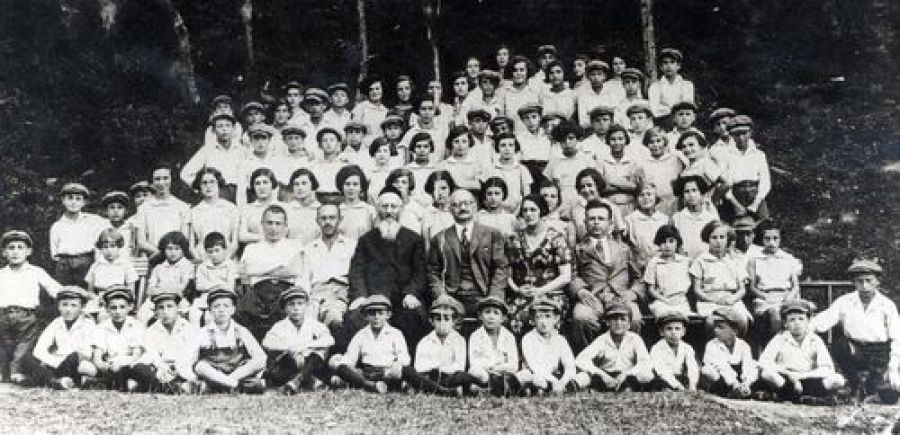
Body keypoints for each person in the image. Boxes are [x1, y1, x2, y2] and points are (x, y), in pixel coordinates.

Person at [346, 187, 429, 350]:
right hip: (373, 297)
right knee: (355, 317)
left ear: (400, 210)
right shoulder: (366, 240)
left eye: (393, 207)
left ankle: (406, 362)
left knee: (413, 317)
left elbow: (420, 272)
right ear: (378, 209)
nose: (389, 211)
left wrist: (412, 293)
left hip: (403, 298)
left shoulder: (414, 239)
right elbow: (356, 271)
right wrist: (361, 296)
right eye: (385, 206)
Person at [810, 259, 900, 403]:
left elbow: (896, 337)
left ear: (877, 281)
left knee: (889, 395)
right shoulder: (845, 301)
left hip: (880, 353)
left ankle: (873, 386)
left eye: (869, 280)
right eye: (860, 281)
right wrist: (803, 329)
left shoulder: (887, 305)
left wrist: (893, 367)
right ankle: (854, 384)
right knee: (840, 345)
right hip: (855, 349)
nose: (864, 286)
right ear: (854, 282)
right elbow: (823, 320)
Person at [428, 190, 509, 334]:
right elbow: (433, 271)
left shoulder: (492, 234)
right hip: (452, 296)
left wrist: (494, 296)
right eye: (457, 205)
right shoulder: (440, 238)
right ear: (450, 209)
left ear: (475, 206)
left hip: (484, 294)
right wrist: (441, 295)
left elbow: (501, 268)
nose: (463, 208)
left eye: (467, 203)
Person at [570, 200, 641, 351]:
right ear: (585, 223)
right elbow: (572, 275)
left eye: (601, 219)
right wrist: (580, 290)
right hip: (592, 297)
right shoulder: (578, 249)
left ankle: (625, 356)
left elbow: (638, 277)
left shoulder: (624, 249)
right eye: (592, 218)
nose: (596, 222)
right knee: (582, 317)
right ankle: (589, 358)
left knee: (634, 317)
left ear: (610, 224)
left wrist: (633, 292)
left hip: (620, 297)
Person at [238, 205, 308, 341]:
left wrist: (261, 269)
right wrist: (281, 266)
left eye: (278, 223)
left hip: (285, 290)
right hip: (258, 292)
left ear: (285, 226)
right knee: (242, 313)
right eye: (269, 223)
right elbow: (249, 270)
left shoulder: (294, 245)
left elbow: (295, 269)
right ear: (262, 224)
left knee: (287, 313)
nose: (273, 228)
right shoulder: (252, 248)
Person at [0, 231, 62, 384]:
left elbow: (55, 289)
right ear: (4, 252)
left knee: (24, 346)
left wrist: (77, 294)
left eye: (20, 247)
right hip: (3, 315)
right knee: (4, 345)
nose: (15, 252)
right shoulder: (2, 274)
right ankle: (3, 372)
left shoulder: (36, 272)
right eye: (11, 248)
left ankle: (16, 373)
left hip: (26, 316)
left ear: (28, 251)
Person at [505, 194, 571, 335]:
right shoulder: (514, 239)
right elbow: (507, 274)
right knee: (518, 317)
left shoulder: (556, 238)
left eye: (533, 210)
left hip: (551, 293)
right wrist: (517, 289)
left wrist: (540, 291)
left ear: (542, 211)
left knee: (545, 317)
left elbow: (565, 277)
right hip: (522, 294)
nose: (528, 214)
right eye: (525, 210)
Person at [758, 300, 847, 404]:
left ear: (808, 321)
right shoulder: (780, 338)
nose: (797, 323)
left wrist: (801, 376)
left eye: (801, 319)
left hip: (809, 379)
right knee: (767, 374)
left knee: (838, 379)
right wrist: (789, 375)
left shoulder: (815, 340)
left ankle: (804, 396)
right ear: (785, 324)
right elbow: (764, 362)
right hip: (787, 380)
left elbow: (827, 368)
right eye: (792, 320)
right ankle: (792, 395)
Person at [332, 295, 421, 394]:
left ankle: (433, 388)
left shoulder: (395, 333)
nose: (376, 317)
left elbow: (404, 356)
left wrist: (398, 365)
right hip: (367, 373)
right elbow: (350, 357)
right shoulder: (361, 335)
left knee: (407, 371)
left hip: (388, 372)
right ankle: (371, 386)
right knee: (342, 368)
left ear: (388, 315)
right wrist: (345, 367)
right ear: (366, 316)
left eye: (380, 313)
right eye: (372, 314)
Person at [192, 288, 267, 394]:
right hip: (214, 374)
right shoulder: (202, 333)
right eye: (216, 306)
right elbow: (191, 360)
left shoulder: (241, 331)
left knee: (259, 361)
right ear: (210, 311)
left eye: (226, 306)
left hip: (237, 373)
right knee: (200, 366)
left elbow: (260, 357)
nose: (221, 310)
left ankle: (223, 385)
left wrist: (231, 378)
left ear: (233, 310)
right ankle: (235, 386)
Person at [262, 287, 334, 393]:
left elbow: (329, 340)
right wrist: (288, 348)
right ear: (285, 308)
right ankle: (309, 379)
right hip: (290, 363)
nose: (296, 308)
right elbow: (267, 342)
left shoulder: (313, 324)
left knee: (318, 354)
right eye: (291, 304)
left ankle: (296, 381)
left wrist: (305, 346)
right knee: (281, 364)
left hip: (309, 362)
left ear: (306, 306)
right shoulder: (280, 326)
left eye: (300, 304)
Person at [574, 301, 654, 392]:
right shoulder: (602, 340)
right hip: (606, 376)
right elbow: (581, 360)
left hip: (628, 375)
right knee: (583, 376)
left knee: (647, 374)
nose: (618, 323)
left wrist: (626, 374)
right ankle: (580, 387)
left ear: (629, 324)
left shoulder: (635, 338)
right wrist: (602, 375)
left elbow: (645, 362)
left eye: (623, 319)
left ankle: (628, 387)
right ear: (607, 323)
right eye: (614, 319)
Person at [28, 286, 97, 390]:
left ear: (82, 307)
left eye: (73, 305)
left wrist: (55, 364)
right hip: (56, 361)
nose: (68, 310)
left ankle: (49, 379)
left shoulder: (88, 324)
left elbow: (86, 353)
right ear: (58, 306)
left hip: (76, 362)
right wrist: (52, 362)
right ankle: (57, 381)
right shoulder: (56, 322)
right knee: (28, 358)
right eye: (64, 305)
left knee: (80, 362)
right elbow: (39, 349)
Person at [131, 292, 199, 393]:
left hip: (181, 369)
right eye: (161, 308)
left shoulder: (188, 328)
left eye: (170, 306)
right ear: (155, 312)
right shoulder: (151, 331)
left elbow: (191, 354)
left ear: (178, 309)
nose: (165, 312)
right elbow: (152, 354)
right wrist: (162, 367)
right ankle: (167, 388)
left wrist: (175, 369)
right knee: (138, 367)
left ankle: (160, 387)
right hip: (160, 370)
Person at [304, 203, 357, 334]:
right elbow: (304, 277)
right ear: (317, 221)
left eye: (332, 218)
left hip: (341, 292)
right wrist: (305, 298)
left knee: (334, 317)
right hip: (316, 292)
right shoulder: (309, 248)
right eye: (323, 218)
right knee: (307, 319)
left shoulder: (352, 245)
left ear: (340, 220)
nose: (327, 222)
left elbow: (357, 275)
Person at [747, 220, 802, 343]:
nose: (771, 243)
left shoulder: (788, 258)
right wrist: (766, 296)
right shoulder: (754, 259)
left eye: (775, 238)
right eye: (767, 239)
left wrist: (789, 297)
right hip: (764, 298)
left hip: (786, 296)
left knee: (799, 315)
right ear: (762, 240)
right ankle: (777, 347)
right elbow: (751, 287)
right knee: (775, 313)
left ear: (780, 239)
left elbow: (795, 286)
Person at [516, 297, 584, 395]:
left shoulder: (560, 339)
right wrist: (554, 382)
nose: (543, 322)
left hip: (556, 376)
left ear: (556, 319)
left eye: (548, 316)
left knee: (583, 376)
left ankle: (562, 388)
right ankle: (542, 389)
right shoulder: (528, 339)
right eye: (539, 317)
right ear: (533, 320)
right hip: (537, 375)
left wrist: (563, 381)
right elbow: (535, 367)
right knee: (531, 377)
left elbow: (569, 365)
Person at [691, 221, 752, 328]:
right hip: (709, 301)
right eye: (714, 238)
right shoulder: (701, 260)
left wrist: (733, 299)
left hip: (731, 300)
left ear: (728, 239)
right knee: (714, 322)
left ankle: (736, 339)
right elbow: (697, 290)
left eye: (722, 237)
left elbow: (742, 289)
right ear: (708, 239)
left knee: (742, 320)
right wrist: (713, 300)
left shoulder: (735, 261)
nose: (718, 241)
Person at [50, 182, 109, 286]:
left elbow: (113, 224)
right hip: (64, 266)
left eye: (78, 199)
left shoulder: (93, 221)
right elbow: (54, 253)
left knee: (87, 292)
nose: (73, 202)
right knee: (65, 292)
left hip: (86, 263)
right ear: (63, 200)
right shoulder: (57, 226)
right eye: (70, 198)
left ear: (83, 202)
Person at [414, 295, 474, 395]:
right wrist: (434, 370)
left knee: (464, 376)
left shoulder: (459, 340)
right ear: (432, 321)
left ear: (454, 321)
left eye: (447, 319)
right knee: (415, 376)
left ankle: (437, 389)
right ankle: (443, 390)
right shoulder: (425, 341)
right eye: (438, 319)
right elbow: (419, 366)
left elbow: (459, 366)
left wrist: (442, 370)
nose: (442, 323)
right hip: (430, 377)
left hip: (449, 377)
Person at [181, 110, 244, 200]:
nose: (224, 129)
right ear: (214, 130)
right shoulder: (207, 150)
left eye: (228, 125)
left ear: (234, 129)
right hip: (217, 195)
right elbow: (186, 173)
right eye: (220, 126)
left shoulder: (242, 150)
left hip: (240, 195)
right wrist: (202, 187)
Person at [91, 286, 144, 391]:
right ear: (107, 309)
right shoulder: (102, 327)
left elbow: (136, 354)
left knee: (139, 372)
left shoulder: (136, 326)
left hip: (130, 364)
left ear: (130, 307)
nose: (118, 312)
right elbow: (97, 356)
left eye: (122, 307)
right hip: (110, 365)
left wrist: (122, 363)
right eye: (113, 308)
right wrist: (104, 367)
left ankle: (126, 383)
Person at [721, 115, 772, 222]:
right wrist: (735, 204)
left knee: (764, 226)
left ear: (750, 133)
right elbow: (724, 182)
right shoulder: (725, 155)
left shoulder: (759, 155)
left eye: (744, 133)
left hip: (756, 195)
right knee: (732, 227)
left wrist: (755, 204)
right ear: (731, 135)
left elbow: (765, 182)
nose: (741, 138)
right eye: (737, 134)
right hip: (735, 195)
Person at [700, 307, 757, 399]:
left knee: (754, 366)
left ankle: (746, 390)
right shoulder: (712, 345)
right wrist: (734, 384)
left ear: (735, 331)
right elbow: (722, 366)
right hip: (723, 379)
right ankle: (724, 392)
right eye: (715, 327)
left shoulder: (743, 345)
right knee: (707, 370)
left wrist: (746, 383)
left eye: (721, 327)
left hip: (740, 379)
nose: (715, 330)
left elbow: (747, 366)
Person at [468, 296, 519, 396]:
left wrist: (498, 369)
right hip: (485, 374)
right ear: (480, 316)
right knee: (474, 371)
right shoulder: (475, 336)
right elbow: (474, 362)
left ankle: (492, 388)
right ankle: (497, 388)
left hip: (503, 373)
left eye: (496, 313)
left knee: (524, 375)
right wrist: (490, 368)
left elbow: (514, 364)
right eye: (487, 312)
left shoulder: (508, 336)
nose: (491, 317)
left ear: (503, 318)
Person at [138, 231, 193, 324]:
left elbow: (182, 289)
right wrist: (169, 289)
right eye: (169, 248)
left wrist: (161, 289)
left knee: (184, 314)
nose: (173, 252)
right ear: (163, 250)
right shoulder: (158, 268)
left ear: (183, 250)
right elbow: (150, 290)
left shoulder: (187, 266)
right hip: (157, 299)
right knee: (142, 314)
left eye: (177, 249)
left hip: (177, 300)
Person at [135, 165, 190, 258]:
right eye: (157, 179)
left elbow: (185, 240)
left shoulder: (183, 207)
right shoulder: (143, 208)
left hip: (177, 259)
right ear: (152, 182)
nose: (161, 183)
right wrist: (161, 254)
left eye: (165, 178)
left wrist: (173, 254)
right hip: (154, 257)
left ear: (171, 179)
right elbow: (141, 242)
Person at [84, 228, 138, 319]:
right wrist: (96, 298)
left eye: (113, 246)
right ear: (100, 249)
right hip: (100, 300)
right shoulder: (96, 265)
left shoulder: (125, 265)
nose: (109, 250)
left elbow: (131, 292)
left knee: (103, 316)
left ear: (119, 247)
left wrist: (120, 299)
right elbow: (90, 291)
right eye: (105, 247)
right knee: (85, 315)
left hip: (119, 299)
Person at [188, 167, 239, 261]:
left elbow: (234, 243)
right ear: (199, 186)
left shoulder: (231, 208)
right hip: (202, 258)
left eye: (212, 182)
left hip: (227, 258)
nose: (208, 186)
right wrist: (201, 262)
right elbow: (191, 245)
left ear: (218, 184)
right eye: (204, 183)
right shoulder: (194, 211)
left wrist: (224, 261)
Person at [190, 232, 239, 327]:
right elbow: (199, 286)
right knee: (193, 313)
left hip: (224, 296)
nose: (214, 255)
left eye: (217, 250)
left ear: (225, 250)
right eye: (210, 252)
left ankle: (214, 335)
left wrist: (210, 286)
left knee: (209, 317)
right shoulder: (203, 266)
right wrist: (218, 285)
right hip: (206, 296)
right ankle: (195, 335)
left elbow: (230, 286)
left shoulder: (230, 265)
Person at [543, 121, 594, 209]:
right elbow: (548, 186)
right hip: (561, 206)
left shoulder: (587, 160)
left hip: (583, 205)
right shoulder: (554, 161)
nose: (567, 142)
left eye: (571, 138)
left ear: (578, 139)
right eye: (563, 139)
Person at [644, 225, 693, 317]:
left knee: (683, 318)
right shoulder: (654, 262)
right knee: (666, 316)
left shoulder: (685, 261)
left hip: (681, 301)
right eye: (663, 242)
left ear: (677, 243)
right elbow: (651, 289)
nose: (667, 245)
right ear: (658, 244)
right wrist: (665, 300)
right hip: (662, 301)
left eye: (671, 241)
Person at [598, 124, 644, 218]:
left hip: (630, 206)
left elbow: (635, 187)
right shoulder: (601, 161)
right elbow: (601, 188)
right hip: (608, 206)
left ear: (626, 140)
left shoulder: (634, 161)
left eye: (620, 139)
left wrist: (610, 181)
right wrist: (626, 184)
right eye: (613, 139)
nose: (617, 142)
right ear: (608, 141)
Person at [671, 175, 720, 259]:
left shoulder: (711, 218)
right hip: (683, 262)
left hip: (706, 262)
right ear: (683, 196)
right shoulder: (676, 218)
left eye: (694, 190)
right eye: (687, 192)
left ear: (701, 193)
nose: (691, 195)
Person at [638, 127, 684, 215]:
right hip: (651, 204)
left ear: (665, 142)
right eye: (651, 142)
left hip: (672, 203)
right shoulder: (643, 163)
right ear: (647, 144)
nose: (655, 145)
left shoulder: (675, 160)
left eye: (658, 141)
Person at [649, 311, 699, 391]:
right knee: (657, 382)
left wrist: (692, 385)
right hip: (664, 379)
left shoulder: (687, 347)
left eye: (677, 329)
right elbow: (661, 370)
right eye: (669, 329)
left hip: (680, 378)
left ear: (683, 332)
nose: (673, 333)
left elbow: (692, 367)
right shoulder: (657, 348)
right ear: (661, 332)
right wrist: (678, 386)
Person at [625, 183, 669, 272]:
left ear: (656, 197)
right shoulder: (630, 219)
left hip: (661, 264)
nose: (645, 198)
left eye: (649, 194)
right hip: (639, 266)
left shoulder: (664, 219)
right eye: (642, 195)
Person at [484, 132, 533, 213]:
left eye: (511, 145)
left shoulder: (522, 169)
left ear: (515, 147)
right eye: (503, 145)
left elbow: (527, 195)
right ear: (497, 148)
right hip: (496, 211)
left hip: (518, 210)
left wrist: (518, 212)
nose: (507, 149)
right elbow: (486, 195)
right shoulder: (491, 170)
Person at [238, 168, 284, 245]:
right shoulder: (247, 209)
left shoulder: (284, 207)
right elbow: (242, 236)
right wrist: (267, 238)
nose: (261, 187)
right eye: (257, 183)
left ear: (272, 185)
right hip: (255, 249)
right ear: (253, 187)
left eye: (265, 182)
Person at [647, 48, 695, 118]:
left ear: (678, 66)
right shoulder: (655, 87)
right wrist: (676, 109)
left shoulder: (687, 85)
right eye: (665, 63)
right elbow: (654, 110)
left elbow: (687, 108)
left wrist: (664, 108)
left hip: (682, 121)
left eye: (672, 62)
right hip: (662, 121)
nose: (669, 66)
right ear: (661, 67)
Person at [576, 60, 623, 129]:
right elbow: (583, 122)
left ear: (605, 76)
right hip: (591, 131)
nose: (596, 77)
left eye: (599, 74)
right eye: (593, 74)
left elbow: (617, 117)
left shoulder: (612, 93)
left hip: (610, 130)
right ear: (588, 77)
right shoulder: (583, 96)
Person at [335, 165, 377, 240]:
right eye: (347, 184)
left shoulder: (370, 211)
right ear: (341, 186)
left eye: (355, 184)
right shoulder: (336, 211)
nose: (351, 188)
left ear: (361, 187)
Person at [501, 55, 540, 133]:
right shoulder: (504, 93)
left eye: (522, 70)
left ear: (527, 72)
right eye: (515, 70)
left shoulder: (535, 92)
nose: (518, 73)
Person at [284, 168, 321, 244]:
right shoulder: (286, 210)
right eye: (296, 184)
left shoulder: (321, 209)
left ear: (312, 185)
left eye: (304, 183)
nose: (300, 188)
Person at [352, 76, 389, 140]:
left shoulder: (386, 111)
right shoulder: (360, 108)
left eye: (377, 89)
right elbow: (354, 130)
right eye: (371, 90)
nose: (374, 92)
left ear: (382, 90)